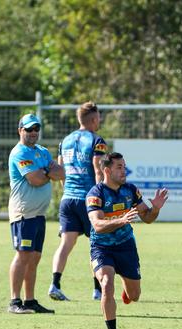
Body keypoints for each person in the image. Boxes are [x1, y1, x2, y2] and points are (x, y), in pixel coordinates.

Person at [86, 152, 169, 329]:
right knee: (106, 284)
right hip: (101, 247)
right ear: (107, 170)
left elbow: (147, 218)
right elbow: (97, 225)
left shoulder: (130, 190)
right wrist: (121, 219)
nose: (124, 171)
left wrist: (155, 209)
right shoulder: (95, 194)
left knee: (134, 296)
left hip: (126, 247)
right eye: (119, 167)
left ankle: (126, 288)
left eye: (124, 166)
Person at [48, 101, 108, 301]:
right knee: (98, 244)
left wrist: (66, 191)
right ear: (93, 119)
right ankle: (98, 290)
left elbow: (60, 170)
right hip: (88, 199)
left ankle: (55, 284)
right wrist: (101, 196)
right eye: (99, 117)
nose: (100, 120)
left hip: (68, 199)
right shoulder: (96, 141)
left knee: (65, 244)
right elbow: (98, 170)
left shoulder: (65, 140)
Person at [7, 114, 64, 314]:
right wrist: (48, 172)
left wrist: (46, 172)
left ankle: (30, 300)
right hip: (24, 213)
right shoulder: (19, 153)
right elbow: (35, 179)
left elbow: (61, 173)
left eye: (36, 129)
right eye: (29, 129)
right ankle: (15, 301)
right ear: (20, 130)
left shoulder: (41, 151)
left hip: (38, 215)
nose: (33, 133)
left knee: (35, 258)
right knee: (23, 255)